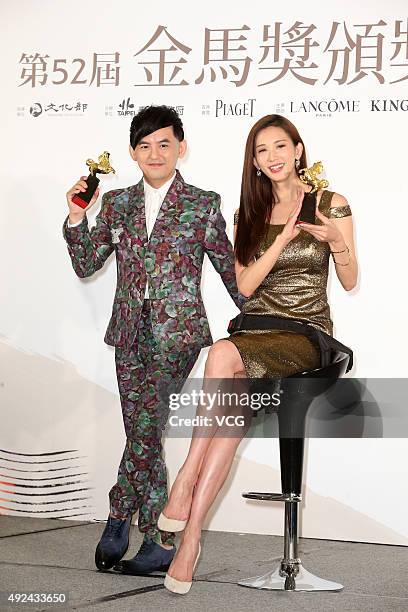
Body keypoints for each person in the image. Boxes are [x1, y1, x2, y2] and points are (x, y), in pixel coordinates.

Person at [159, 114, 358, 594]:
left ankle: (184, 479)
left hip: (305, 333)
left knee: (222, 353)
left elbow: (350, 280)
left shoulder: (331, 203)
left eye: (279, 146)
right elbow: (245, 288)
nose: (271, 157)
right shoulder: (247, 213)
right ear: (254, 161)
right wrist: (283, 240)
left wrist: (336, 242)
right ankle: (190, 542)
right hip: (257, 325)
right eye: (261, 150)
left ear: (298, 149)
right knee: (228, 419)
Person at [63, 105, 243, 575]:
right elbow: (87, 264)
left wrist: (264, 320)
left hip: (177, 334)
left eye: (164, 143)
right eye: (144, 146)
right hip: (128, 332)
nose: (155, 153)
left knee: (144, 426)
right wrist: (76, 219)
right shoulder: (119, 203)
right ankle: (160, 537)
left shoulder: (202, 203)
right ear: (132, 153)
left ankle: (119, 513)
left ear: (181, 147)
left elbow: (230, 271)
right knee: (143, 433)